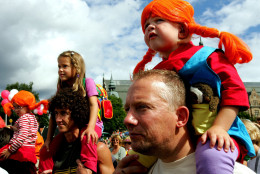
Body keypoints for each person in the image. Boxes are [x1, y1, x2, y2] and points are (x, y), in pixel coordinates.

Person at [132, 0, 255, 173]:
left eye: (159, 20)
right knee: (134, 161)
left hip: (218, 135)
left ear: (182, 29)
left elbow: (235, 93)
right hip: (174, 141)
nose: (150, 27)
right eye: (146, 26)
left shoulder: (210, 57)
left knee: (211, 157)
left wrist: (219, 128)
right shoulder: (156, 72)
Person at [114, 69, 255, 174]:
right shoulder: (134, 170)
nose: (127, 119)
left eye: (142, 107)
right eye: (127, 109)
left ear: (181, 117)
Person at [40, 50, 102, 173]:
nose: (60, 70)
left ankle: (88, 169)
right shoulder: (61, 87)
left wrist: (90, 127)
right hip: (71, 126)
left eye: (64, 66)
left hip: (90, 123)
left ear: (76, 67)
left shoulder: (87, 82)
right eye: (59, 66)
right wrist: (48, 139)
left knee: (87, 138)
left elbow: (93, 104)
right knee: (45, 150)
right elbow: (54, 113)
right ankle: (45, 171)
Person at [0, 90, 48, 174]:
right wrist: (15, 128)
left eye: (19, 107)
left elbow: (22, 137)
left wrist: (10, 150)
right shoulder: (32, 118)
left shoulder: (24, 118)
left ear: (27, 105)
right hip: (30, 150)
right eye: (14, 107)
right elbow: (28, 132)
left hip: (21, 150)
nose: (16, 110)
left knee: (2, 155)